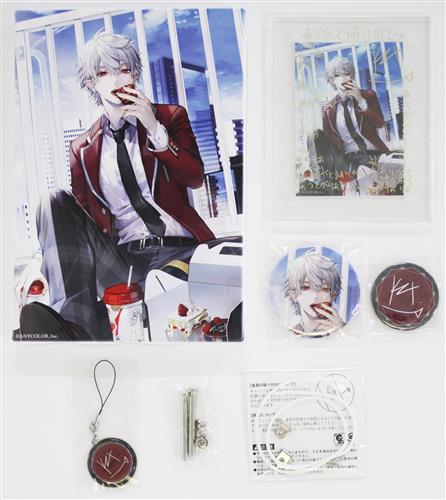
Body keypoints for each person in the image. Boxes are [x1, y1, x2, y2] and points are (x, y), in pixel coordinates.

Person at [16, 31, 216, 340]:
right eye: (104, 73)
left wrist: (154, 127)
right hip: (124, 261)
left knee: (161, 295)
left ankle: (76, 333)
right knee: (52, 199)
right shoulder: (83, 149)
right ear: (90, 83)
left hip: (180, 251)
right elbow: (78, 223)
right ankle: (72, 330)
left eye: (123, 69)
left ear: (135, 74)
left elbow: (194, 178)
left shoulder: (169, 117)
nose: (116, 79)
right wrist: (42, 260)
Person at [307, 56, 389, 195]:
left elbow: (380, 123)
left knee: (365, 176)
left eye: (347, 74)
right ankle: (326, 188)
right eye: (337, 75)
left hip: (371, 157)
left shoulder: (368, 96)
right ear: (332, 80)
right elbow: (330, 144)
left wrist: (361, 101)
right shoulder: (328, 110)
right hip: (347, 161)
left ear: (352, 76)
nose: (343, 78)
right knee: (314, 135)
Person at [283, 253, 344, 335]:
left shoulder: (343, 331)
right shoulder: (288, 335)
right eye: (306, 287)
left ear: (332, 296)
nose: (315, 296)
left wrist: (342, 331)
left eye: (325, 288)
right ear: (293, 295)